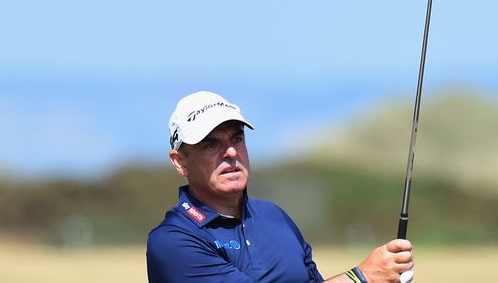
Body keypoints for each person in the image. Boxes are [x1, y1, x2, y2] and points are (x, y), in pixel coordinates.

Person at [147, 91, 414, 283]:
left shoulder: (274, 217)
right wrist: (361, 277)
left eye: (237, 138)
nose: (230, 152)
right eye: (210, 144)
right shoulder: (172, 242)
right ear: (180, 161)